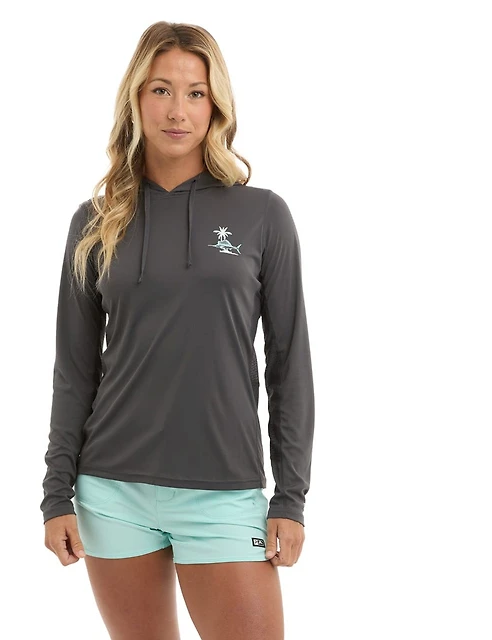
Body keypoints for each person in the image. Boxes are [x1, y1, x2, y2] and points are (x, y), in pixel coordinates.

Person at [41, 21, 315, 640]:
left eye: (196, 93)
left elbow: (289, 365)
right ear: (136, 97)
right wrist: (56, 492)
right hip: (111, 491)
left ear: (216, 105)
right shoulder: (95, 221)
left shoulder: (262, 215)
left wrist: (291, 497)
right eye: (161, 90)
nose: (177, 111)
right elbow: (74, 369)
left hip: (224, 492)